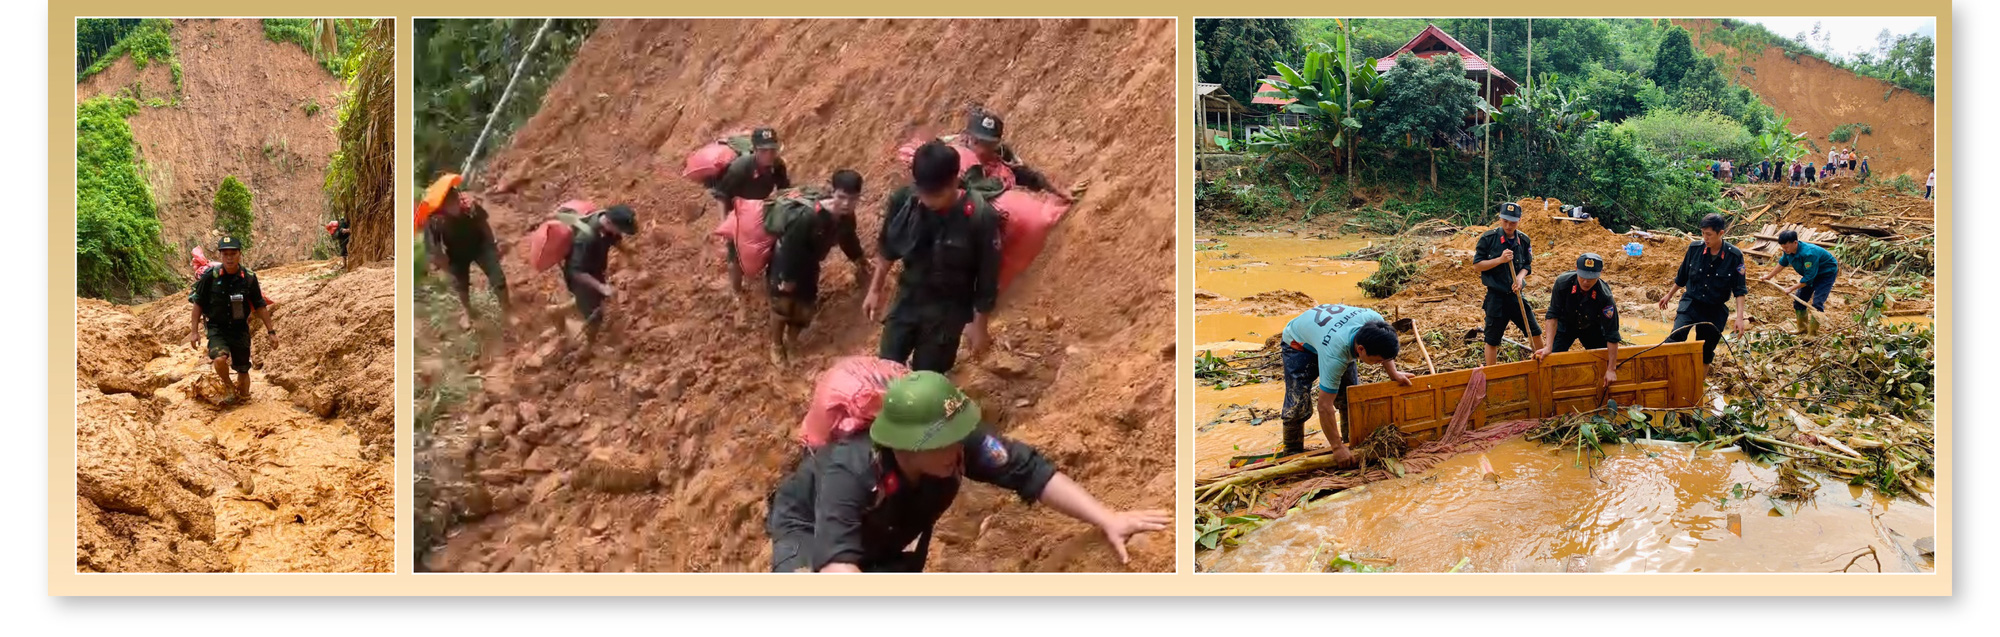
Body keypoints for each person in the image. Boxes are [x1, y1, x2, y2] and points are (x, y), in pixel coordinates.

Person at [763, 371, 1171, 572]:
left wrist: (1107, 517)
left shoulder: (959, 444)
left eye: (960, 437)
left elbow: (1032, 473)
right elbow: (837, 566)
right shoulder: (849, 471)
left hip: (884, 531)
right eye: (945, 442)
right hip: (810, 531)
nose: (959, 449)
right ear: (906, 445)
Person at [864, 140, 1002, 374]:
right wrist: (875, 290)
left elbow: (987, 278)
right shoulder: (904, 202)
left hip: (948, 312)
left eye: (936, 194)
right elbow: (889, 246)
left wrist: (980, 327)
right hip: (908, 300)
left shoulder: (979, 217)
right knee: (886, 369)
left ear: (954, 181)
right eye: (924, 193)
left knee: (927, 378)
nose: (928, 201)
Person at [1275, 304, 1412, 461]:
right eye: (1376, 361)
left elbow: (1385, 354)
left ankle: (1351, 442)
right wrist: (1336, 448)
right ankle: (1292, 453)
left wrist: (1393, 374)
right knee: (1297, 402)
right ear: (1360, 350)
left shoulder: (1377, 324)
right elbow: (1324, 406)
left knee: (1349, 397)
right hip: (1298, 344)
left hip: (1331, 332)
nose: (1379, 364)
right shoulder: (1336, 355)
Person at [766, 170, 871, 364]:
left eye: (853, 199)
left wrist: (859, 259)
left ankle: (792, 342)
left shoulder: (846, 218)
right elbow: (790, 249)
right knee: (782, 306)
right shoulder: (807, 217)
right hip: (787, 262)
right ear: (832, 192)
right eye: (842, 197)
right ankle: (776, 345)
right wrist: (787, 279)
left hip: (810, 264)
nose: (847, 204)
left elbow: (848, 238)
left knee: (805, 307)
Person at [186, 236, 275, 403]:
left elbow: (260, 305)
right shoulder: (210, 277)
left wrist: (271, 331)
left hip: (240, 329)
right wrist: (194, 332)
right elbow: (198, 303)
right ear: (220, 256)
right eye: (225, 254)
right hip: (216, 328)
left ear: (239, 254)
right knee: (219, 359)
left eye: (233, 253)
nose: (229, 257)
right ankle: (228, 385)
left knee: (243, 371)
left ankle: (244, 399)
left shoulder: (248, 278)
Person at [1657, 214, 1749, 367]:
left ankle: (1698, 388)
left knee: (1705, 352)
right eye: (1702, 233)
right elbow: (1682, 276)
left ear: (1721, 233)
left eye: (1709, 234)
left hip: (1715, 309)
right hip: (1691, 303)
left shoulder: (1734, 256)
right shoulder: (1695, 249)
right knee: (1675, 337)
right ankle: (1664, 374)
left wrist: (1739, 318)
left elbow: (1739, 290)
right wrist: (1669, 295)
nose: (1705, 238)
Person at [711, 128, 793, 301]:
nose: (769, 155)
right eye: (764, 151)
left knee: (773, 248)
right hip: (738, 212)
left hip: (761, 208)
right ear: (755, 150)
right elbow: (721, 195)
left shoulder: (777, 166)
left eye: (772, 150)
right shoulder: (740, 169)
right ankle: (736, 291)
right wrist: (724, 223)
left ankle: (769, 282)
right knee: (734, 256)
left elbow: (785, 190)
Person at [422, 173, 510, 323]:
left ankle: (507, 309)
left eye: (454, 199)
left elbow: (483, 224)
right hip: (456, 255)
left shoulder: (470, 206)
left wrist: (493, 244)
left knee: (498, 277)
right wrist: (444, 265)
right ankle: (468, 311)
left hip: (480, 245)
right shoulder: (435, 221)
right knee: (461, 286)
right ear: (442, 205)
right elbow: (434, 248)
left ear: (458, 196)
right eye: (449, 203)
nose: (454, 204)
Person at [1532, 253, 1620, 387]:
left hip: (1592, 328)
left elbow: (1612, 333)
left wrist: (1611, 369)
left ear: (1600, 273)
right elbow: (1552, 315)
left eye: (1591, 278)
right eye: (1583, 276)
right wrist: (1548, 346)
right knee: (1552, 359)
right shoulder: (1562, 284)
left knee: (1604, 361)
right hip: (1566, 325)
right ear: (1576, 269)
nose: (1586, 281)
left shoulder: (1605, 296)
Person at [1474, 202, 1544, 366]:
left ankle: (1543, 366)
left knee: (1534, 331)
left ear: (1519, 220)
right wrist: (1500, 260)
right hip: (1496, 297)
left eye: (1512, 222)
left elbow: (1527, 265)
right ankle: (1492, 374)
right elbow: (1477, 265)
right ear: (1500, 218)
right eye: (1505, 221)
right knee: (1492, 339)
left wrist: (1520, 278)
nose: (1508, 225)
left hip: (1516, 296)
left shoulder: (1524, 241)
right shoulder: (1488, 239)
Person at [558, 204, 638, 342]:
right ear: (609, 223)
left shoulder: (607, 220)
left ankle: (557, 310)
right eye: (620, 230)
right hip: (581, 278)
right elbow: (576, 271)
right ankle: (589, 345)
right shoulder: (586, 238)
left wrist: (630, 253)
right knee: (595, 316)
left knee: (598, 298)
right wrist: (600, 286)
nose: (621, 234)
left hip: (594, 268)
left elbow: (615, 240)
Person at [1758, 230, 1838, 337]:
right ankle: (1802, 328)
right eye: (1783, 247)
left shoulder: (1809, 253)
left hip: (1826, 274)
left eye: (1786, 247)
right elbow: (1782, 263)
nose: (1784, 249)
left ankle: (1812, 334)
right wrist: (1768, 276)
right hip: (1811, 274)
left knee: (1817, 304)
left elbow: (1809, 278)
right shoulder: (1788, 251)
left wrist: (1791, 288)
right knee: (1799, 301)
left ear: (1795, 243)